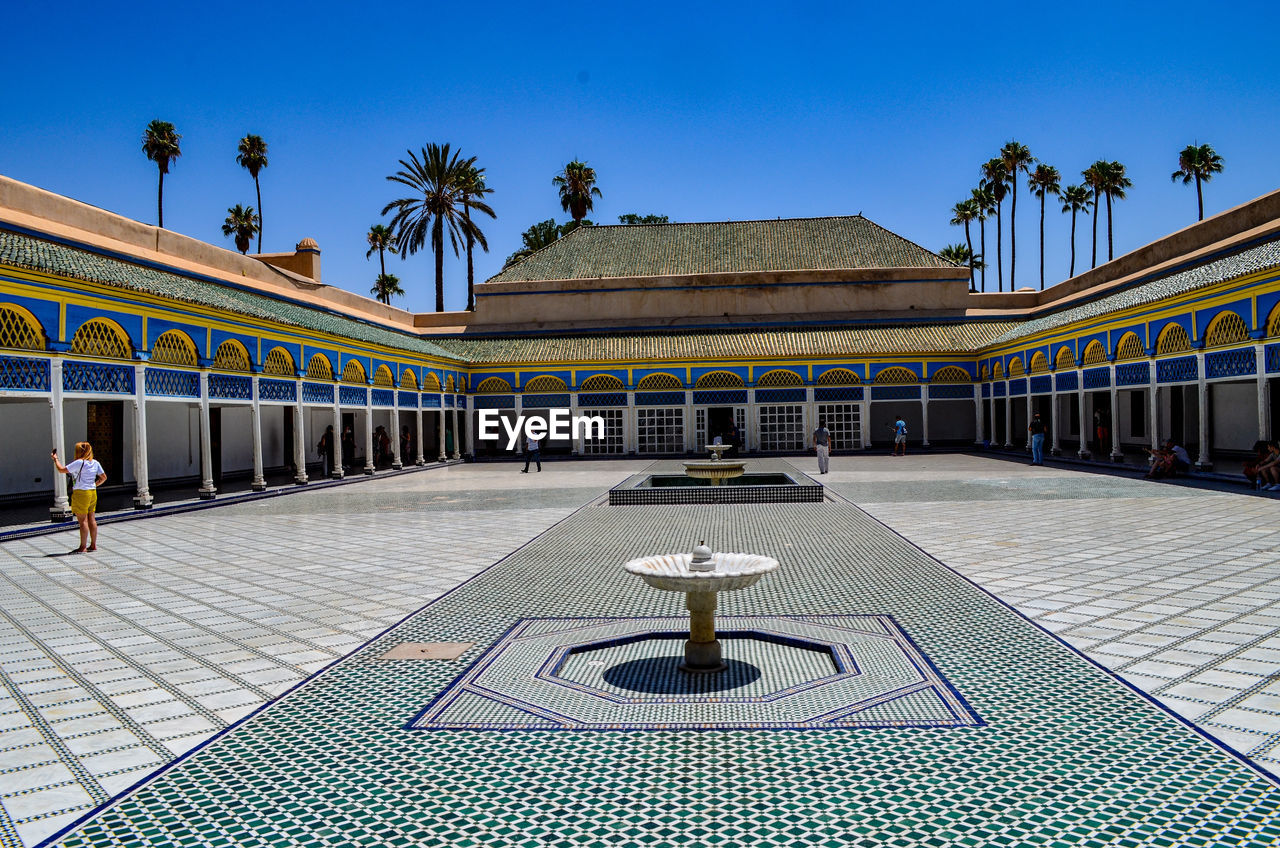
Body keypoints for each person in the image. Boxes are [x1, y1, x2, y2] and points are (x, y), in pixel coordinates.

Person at [51, 442, 106, 554]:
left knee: (83, 521)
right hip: (92, 492)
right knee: (92, 519)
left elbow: (61, 470)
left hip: (81, 493)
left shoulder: (79, 462)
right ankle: (93, 545)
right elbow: (103, 477)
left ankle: (83, 547)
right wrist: (94, 485)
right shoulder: (95, 463)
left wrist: (55, 459)